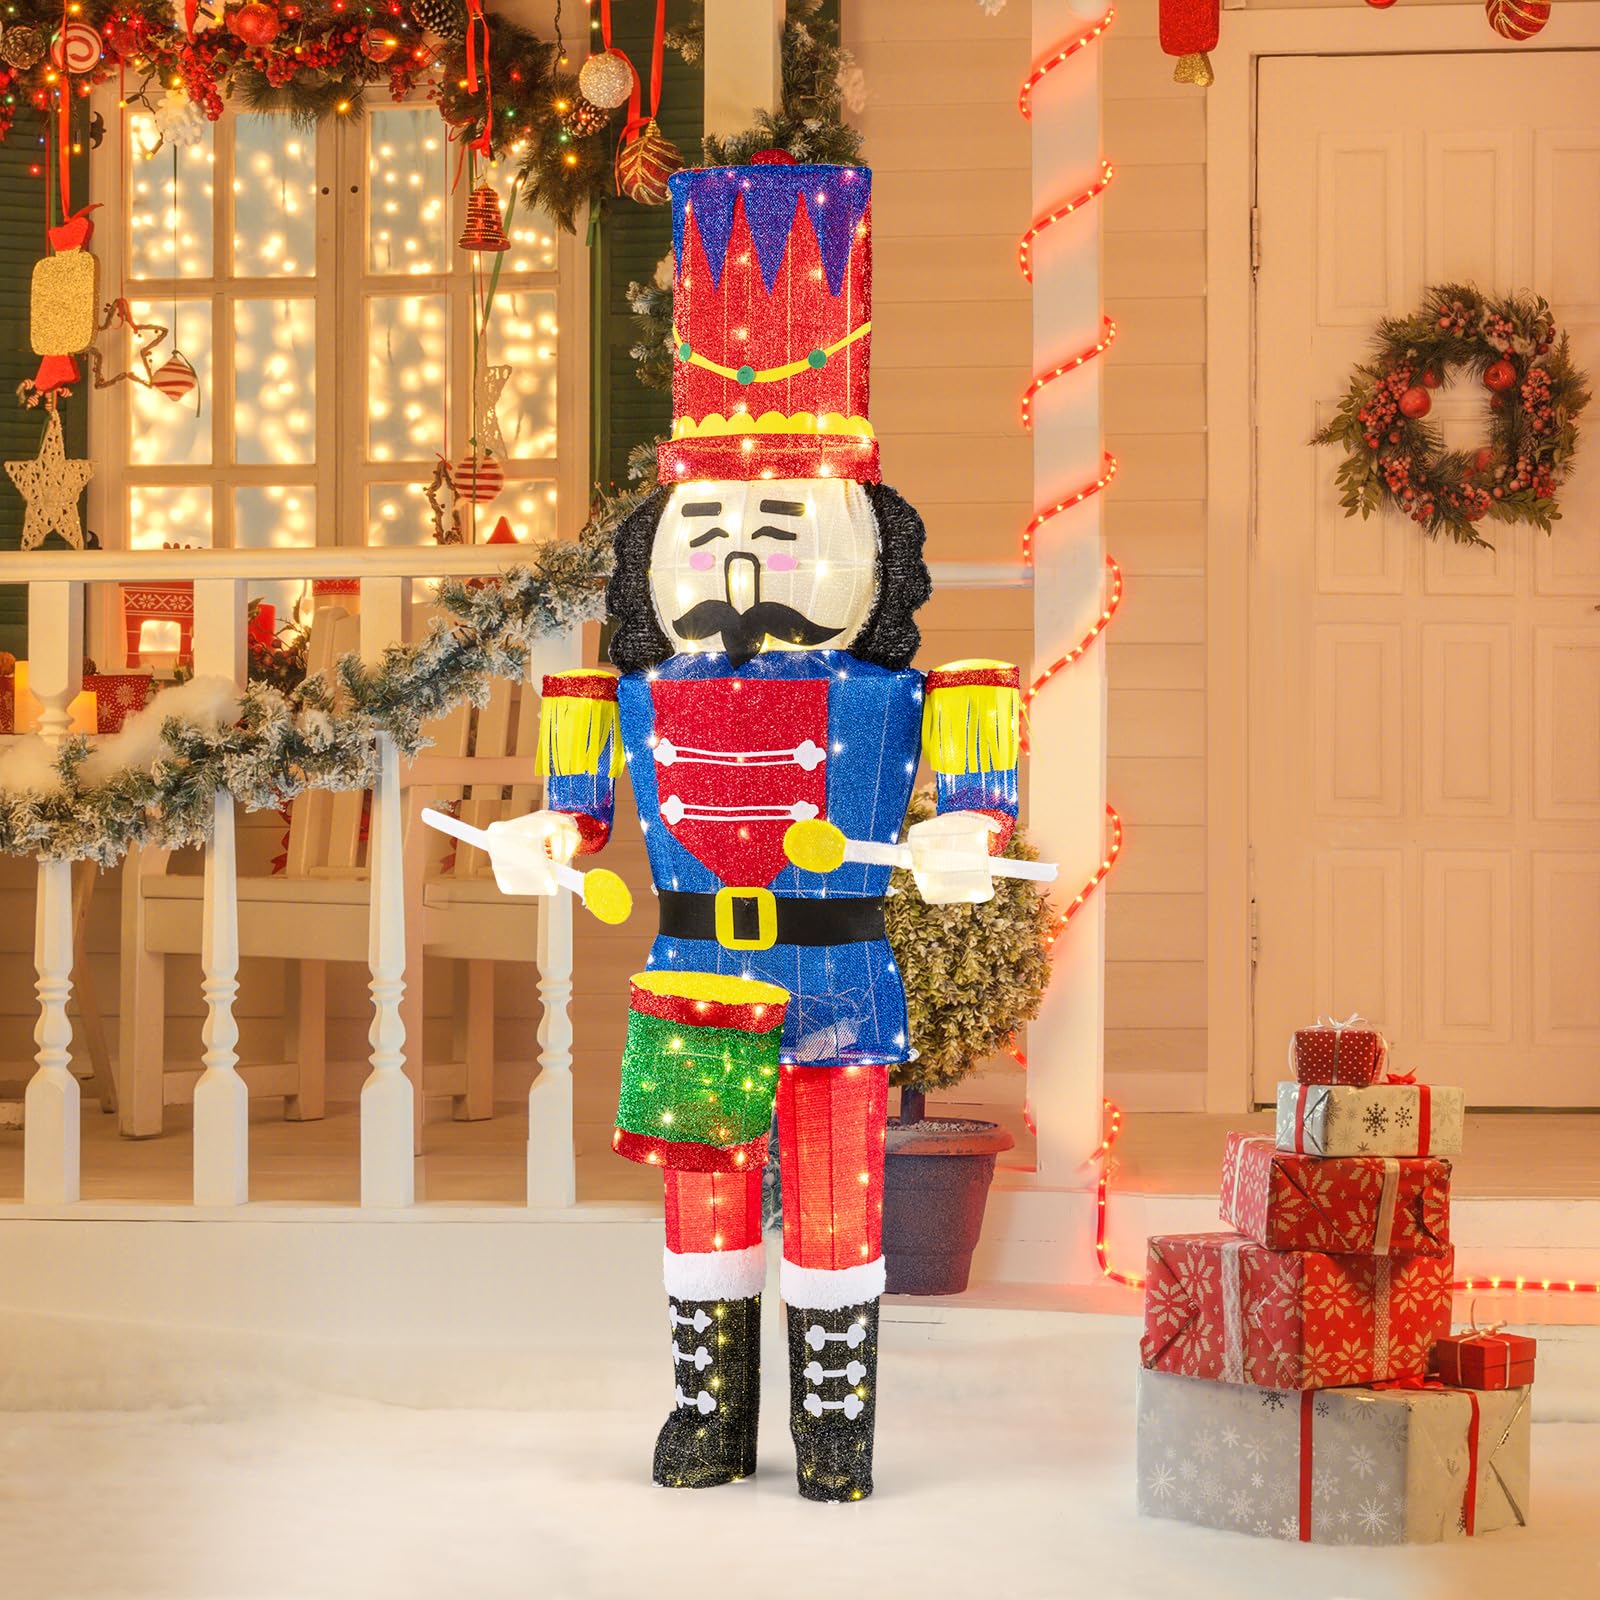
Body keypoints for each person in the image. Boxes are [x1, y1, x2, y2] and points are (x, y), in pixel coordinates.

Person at [485, 154, 1021, 1501]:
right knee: (703, 1200)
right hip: (694, 975)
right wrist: (544, 840)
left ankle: (834, 1432)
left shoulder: (918, 694)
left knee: (835, 1206)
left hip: (837, 976)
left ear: (865, 543)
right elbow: (575, 816)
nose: (739, 558)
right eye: (710, 525)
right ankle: (706, 1415)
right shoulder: (617, 694)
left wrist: (965, 839)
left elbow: (977, 811)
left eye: (781, 528)